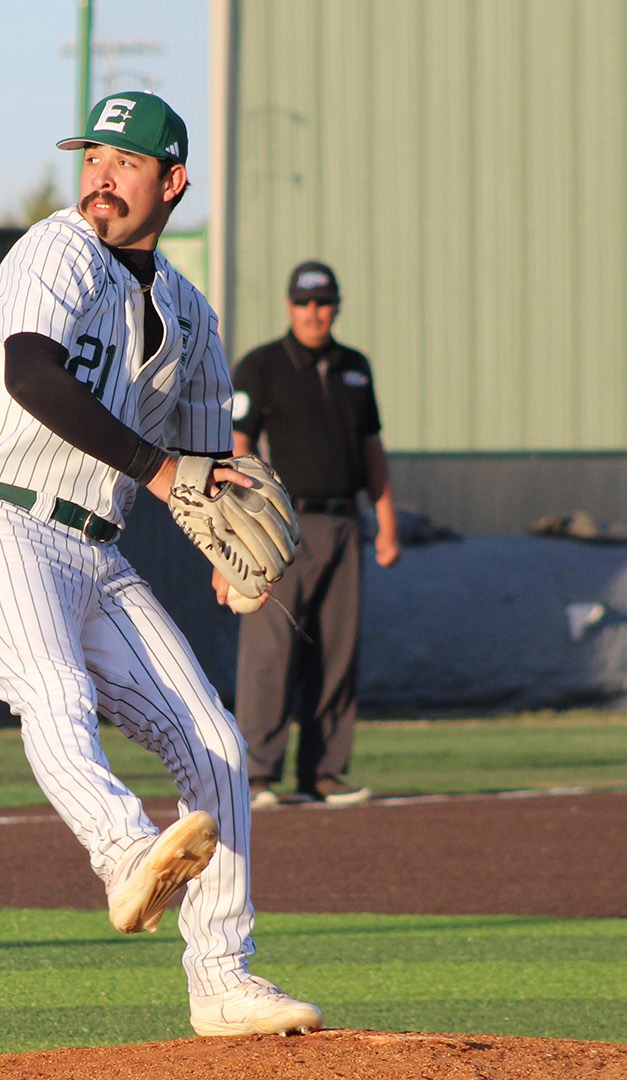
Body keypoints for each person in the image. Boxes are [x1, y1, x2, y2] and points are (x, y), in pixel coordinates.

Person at [0, 91, 322, 1037]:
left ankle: (224, 979)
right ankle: (120, 853)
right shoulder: (55, 249)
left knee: (219, 749)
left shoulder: (192, 315)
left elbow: (199, 472)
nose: (100, 174)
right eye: (92, 155)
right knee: (54, 690)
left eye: (124, 161)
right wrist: (160, 468)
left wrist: (223, 545)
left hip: (94, 551)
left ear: (171, 181)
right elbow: (30, 371)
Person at [224, 261, 400, 809]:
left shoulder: (355, 368)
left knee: (337, 654)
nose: (314, 312)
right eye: (304, 302)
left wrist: (386, 521)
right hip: (284, 527)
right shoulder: (263, 365)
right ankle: (256, 775)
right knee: (270, 653)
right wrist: (240, 526)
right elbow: (237, 446)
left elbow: (371, 447)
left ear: (336, 306)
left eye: (323, 301)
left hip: (346, 521)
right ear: (289, 306)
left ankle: (324, 772)